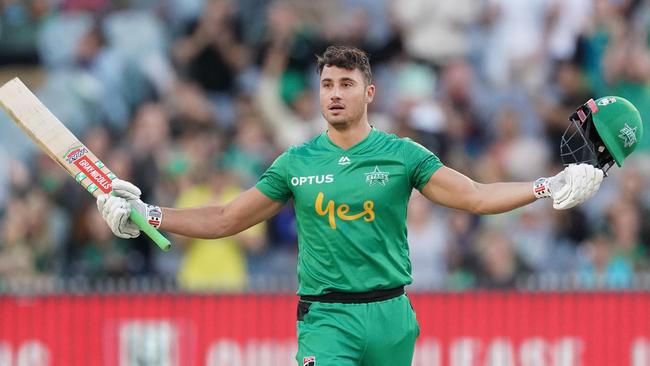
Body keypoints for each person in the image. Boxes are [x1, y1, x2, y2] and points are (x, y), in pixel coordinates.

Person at [98, 45, 611, 366]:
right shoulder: (296, 162)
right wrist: (150, 214)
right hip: (328, 319)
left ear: (369, 91)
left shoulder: (403, 155)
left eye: (346, 85)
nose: (334, 94)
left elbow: (475, 196)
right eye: (326, 85)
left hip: (392, 317)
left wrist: (547, 185)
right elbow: (229, 217)